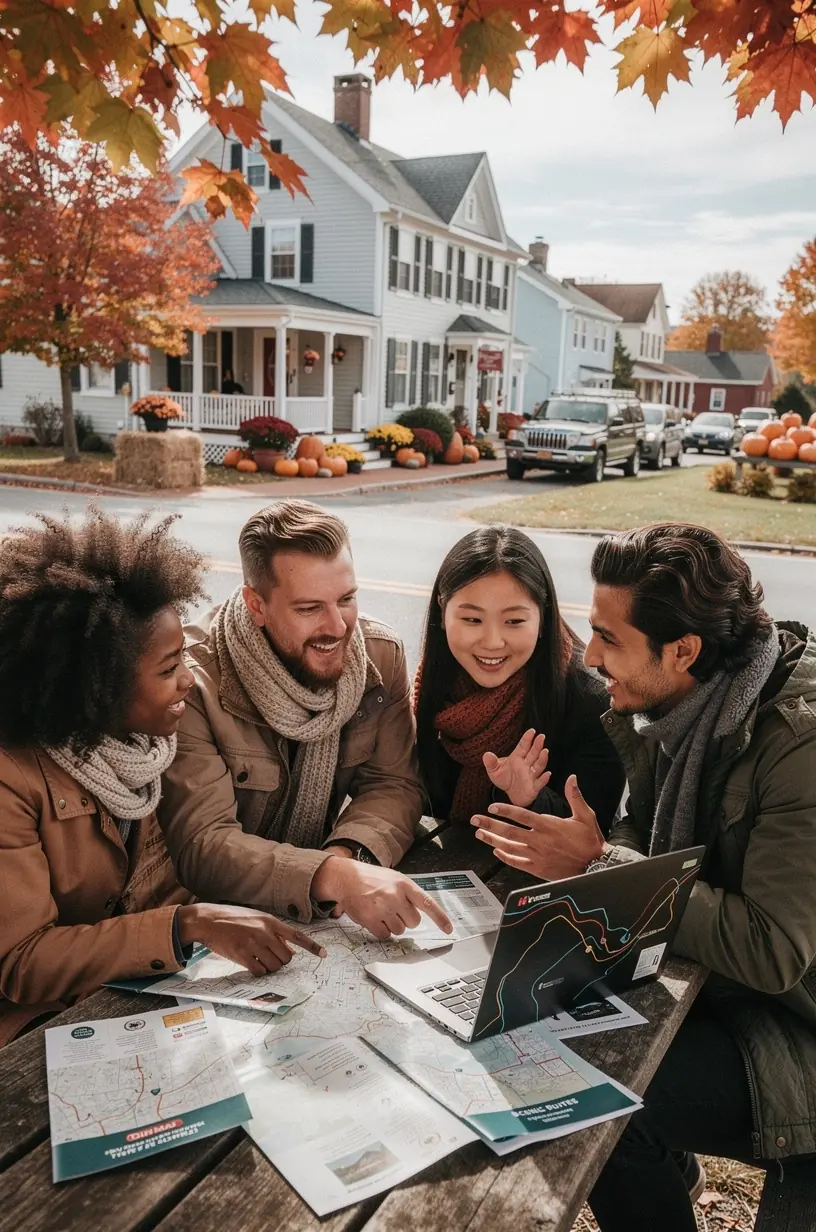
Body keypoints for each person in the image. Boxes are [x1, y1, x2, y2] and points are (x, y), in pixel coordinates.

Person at [471, 522, 816, 1231]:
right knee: (546, 1044)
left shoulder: (799, 749)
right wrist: (601, 850)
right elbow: (647, 830)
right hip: (727, 996)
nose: (591, 657)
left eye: (608, 638)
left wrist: (602, 866)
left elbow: (772, 949)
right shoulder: (682, 703)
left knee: (598, 1097)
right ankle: (670, 1172)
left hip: (793, 1025)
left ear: (683, 649)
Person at [0, 508, 326, 1047]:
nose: (189, 683)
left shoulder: (146, 745)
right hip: (41, 1030)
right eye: (169, 667)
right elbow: (21, 961)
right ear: (96, 688)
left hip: (141, 998)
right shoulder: (14, 778)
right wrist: (185, 924)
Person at [160, 500, 451, 941]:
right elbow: (203, 845)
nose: (338, 626)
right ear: (256, 605)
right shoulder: (193, 681)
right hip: (212, 925)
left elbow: (395, 785)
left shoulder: (379, 656)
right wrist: (331, 876)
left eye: (347, 599)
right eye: (309, 608)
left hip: (317, 914)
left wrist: (348, 856)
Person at [414, 526, 625, 835]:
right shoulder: (428, 687)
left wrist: (530, 800)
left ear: (542, 620)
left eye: (514, 621)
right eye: (472, 619)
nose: (492, 642)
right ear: (442, 613)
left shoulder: (593, 702)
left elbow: (597, 832)